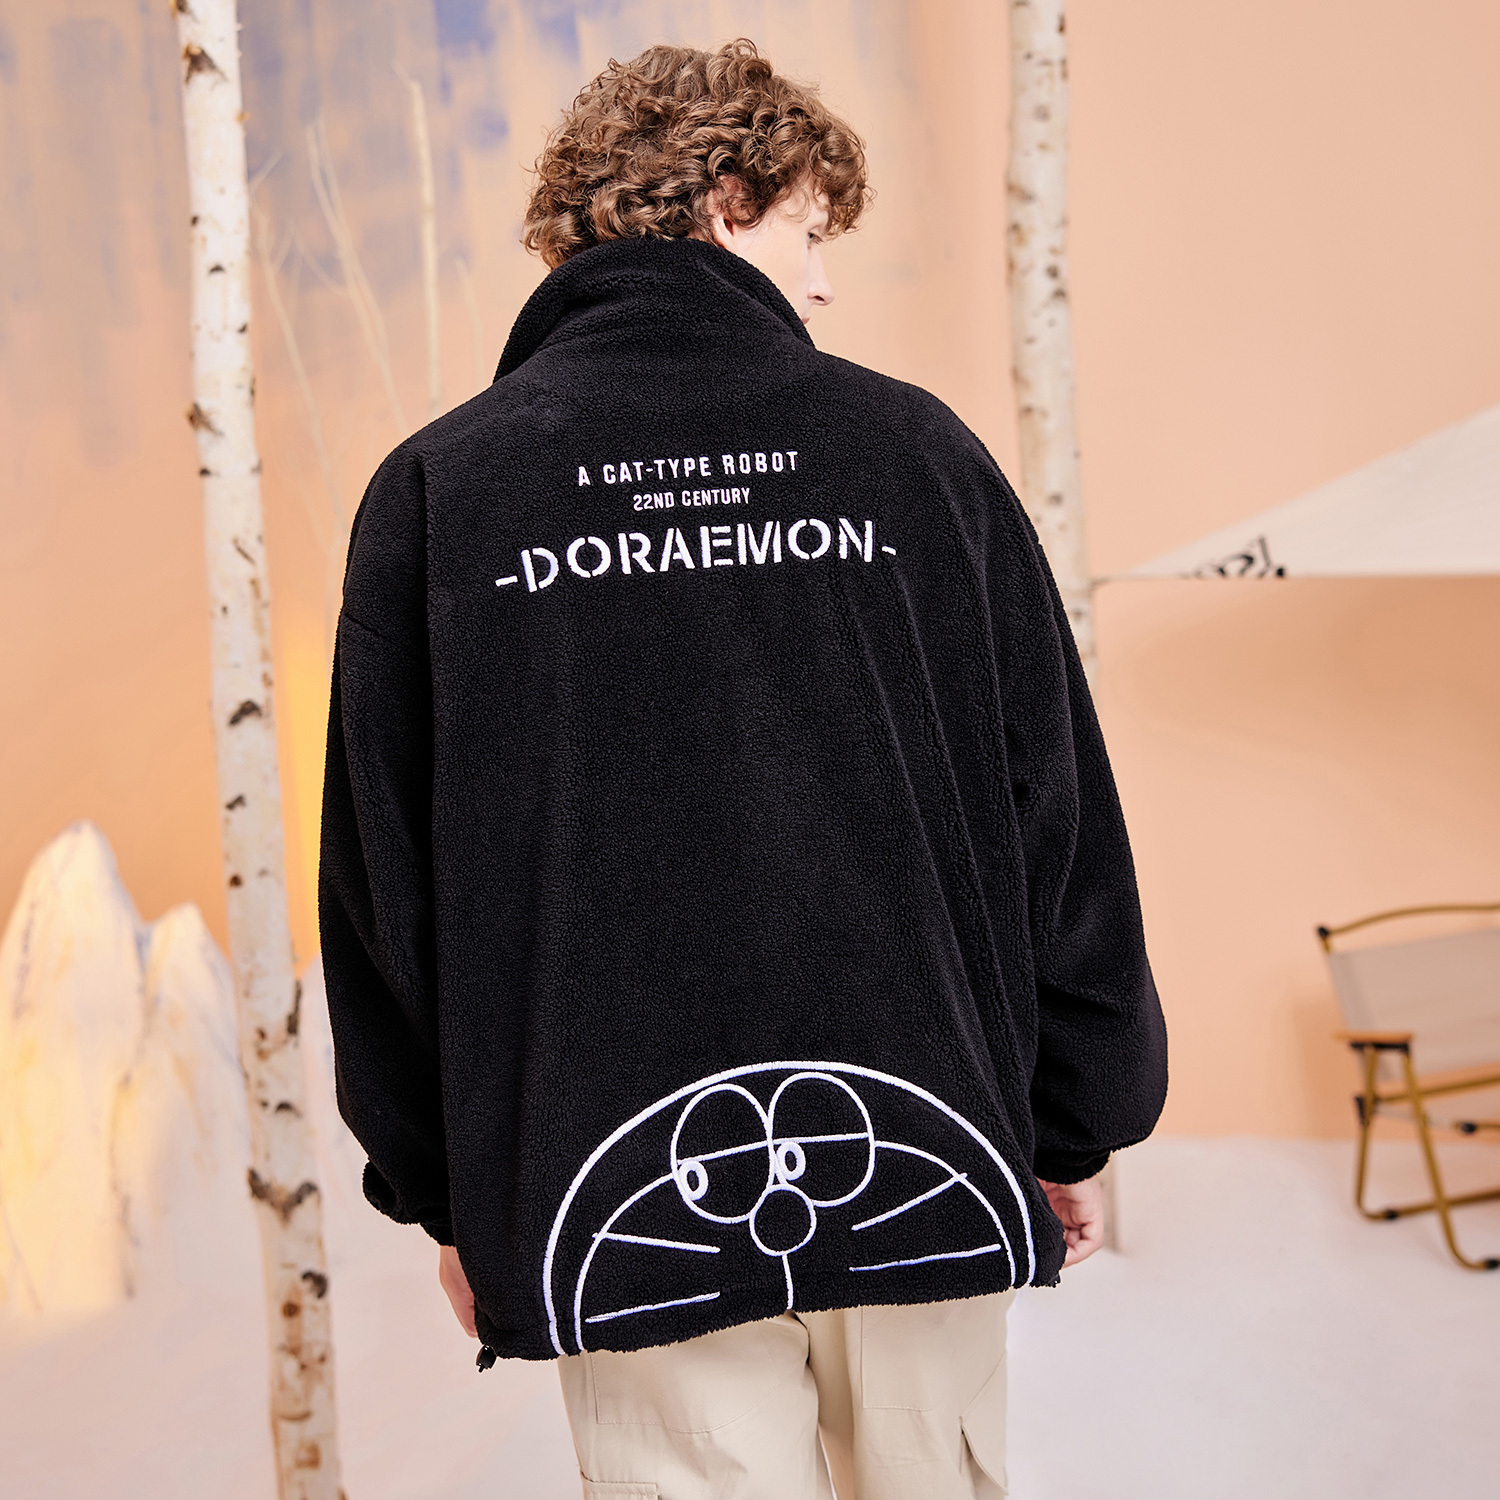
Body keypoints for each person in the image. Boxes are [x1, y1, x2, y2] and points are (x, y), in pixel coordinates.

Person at [319, 38, 1167, 1500]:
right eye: (810, 233)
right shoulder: (915, 458)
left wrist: (452, 1194)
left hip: (612, 1181)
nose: (822, 284)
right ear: (727, 198)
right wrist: (1079, 1113)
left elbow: (382, 896)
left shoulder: (444, 492)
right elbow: (1059, 822)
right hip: (922, 1147)